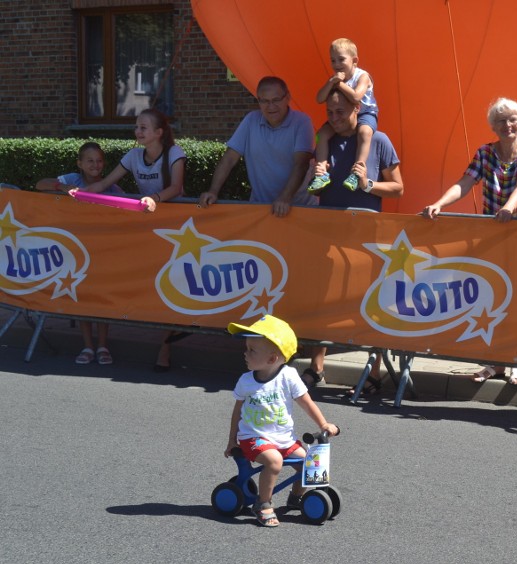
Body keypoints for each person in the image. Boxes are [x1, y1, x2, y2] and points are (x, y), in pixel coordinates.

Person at [422, 97, 517, 385]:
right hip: (490, 233)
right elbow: (465, 182)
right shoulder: (485, 153)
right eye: (501, 120)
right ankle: (492, 363)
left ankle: (516, 361)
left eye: (512, 119)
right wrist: (439, 204)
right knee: (491, 296)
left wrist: (510, 208)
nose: (508, 124)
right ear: (493, 126)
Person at [305, 88, 403, 393]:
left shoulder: (379, 140)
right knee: (323, 300)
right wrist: (316, 174)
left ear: (357, 109)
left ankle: (373, 373)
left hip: (367, 236)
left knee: (368, 303)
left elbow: (398, 188)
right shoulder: (325, 141)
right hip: (330, 235)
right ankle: (316, 367)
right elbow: (317, 191)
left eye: (340, 112)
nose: (334, 118)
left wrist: (367, 184)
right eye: (329, 113)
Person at [84, 108, 187, 371]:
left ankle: (165, 349)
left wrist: (155, 199)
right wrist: (79, 194)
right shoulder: (133, 156)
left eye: (143, 127)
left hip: (176, 227)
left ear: (158, 133)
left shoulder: (175, 153)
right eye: (137, 127)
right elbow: (105, 182)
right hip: (147, 228)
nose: (137, 131)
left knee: (172, 287)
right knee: (152, 285)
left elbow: (176, 187)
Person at [224, 314, 340, 527]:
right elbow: (237, 412)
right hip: (254, 438)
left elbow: (306, 402)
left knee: (309, 464)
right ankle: (263, 503)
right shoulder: (246, 381)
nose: (245, 353)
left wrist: (323, 424)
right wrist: (232, 440)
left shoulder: (289, 376)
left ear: (271, 359)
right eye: (247, 348)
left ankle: (296, 498)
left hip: (283, 439)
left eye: (252, 350)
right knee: (274, 461)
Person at [36, 141, 124, 365]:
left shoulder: (110, 186)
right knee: (82, 297)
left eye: (99, 160)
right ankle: (87, 346)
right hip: (75, 250)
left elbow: (126, 207)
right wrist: (61, 188)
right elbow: (39, 184)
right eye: (90, 161)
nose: (95, 165)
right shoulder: (72, 180)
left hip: (102, 251)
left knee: (101, 299)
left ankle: (103, 345)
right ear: (80, 164)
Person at [198, 76, 314, 216]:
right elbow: (229, 159)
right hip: (261, 209)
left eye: (276, 100)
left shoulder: (302, 122)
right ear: (258, 100)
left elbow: (301, 164)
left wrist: (285, 198)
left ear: (287, 97)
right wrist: (213, 191)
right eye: (264, 101)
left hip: (300, 208)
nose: (271, 106)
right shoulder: (251, 120)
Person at [308, 38, 378, 194]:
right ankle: (322, 172)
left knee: (364, 132)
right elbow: (319, 99)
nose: (336, 64)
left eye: (341, 59)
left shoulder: (362, 76)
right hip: (343, 116)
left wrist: (338, 84)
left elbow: (355, 98)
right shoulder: (335, 78)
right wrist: (331, 82)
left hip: (366, 112)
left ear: (354, 61)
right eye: (333, 60)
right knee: (321, 135)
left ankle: (357, 170)